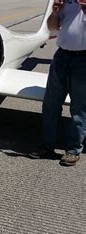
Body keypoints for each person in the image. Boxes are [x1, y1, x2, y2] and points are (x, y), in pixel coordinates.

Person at [29, 0, 86, 166]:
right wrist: (55, 13)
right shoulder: (65, 1)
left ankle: (73, 149)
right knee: (51, 104)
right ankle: (47, 145)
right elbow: (52, 28)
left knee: (79, 108)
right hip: (61, 57)